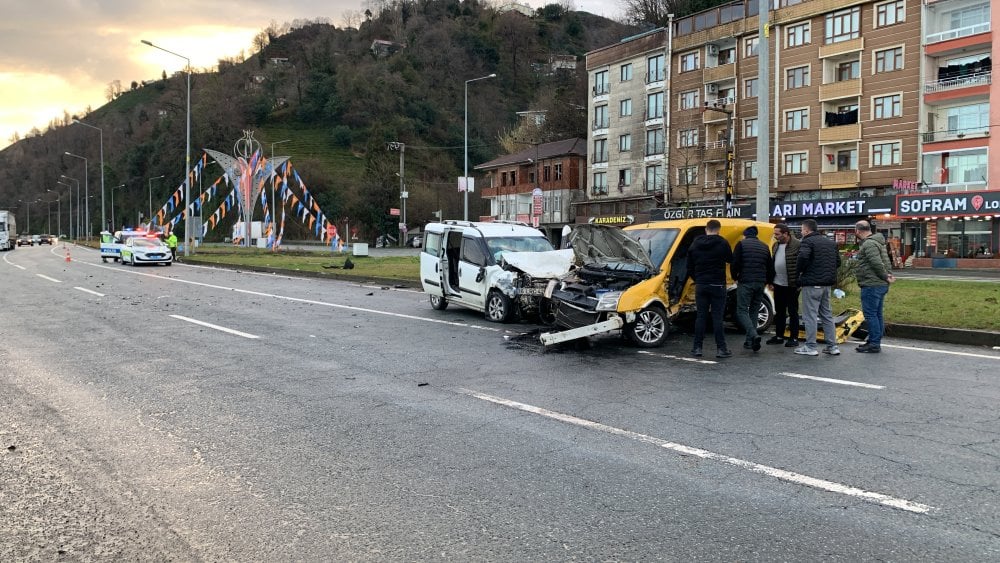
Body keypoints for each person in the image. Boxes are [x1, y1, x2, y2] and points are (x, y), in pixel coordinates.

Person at [686, 219, 734, 358]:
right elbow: (730, 259)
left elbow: (689, 266)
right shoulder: (723, 243)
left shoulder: (695, 244)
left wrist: (698, 279)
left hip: (701, 284)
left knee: (701, 316)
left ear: (706, 229)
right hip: (718, 284)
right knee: (717, 317)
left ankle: (697, 348)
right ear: (718, 229)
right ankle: (721, 349)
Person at [795, 219, 841, 356]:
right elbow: (837, 262)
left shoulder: (807, 241)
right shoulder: (830, 243)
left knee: (810, 315)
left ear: (807, 230)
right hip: (827, 284)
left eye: (802, 229)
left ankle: (810, 346)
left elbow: (803, 257)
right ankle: (832, 346)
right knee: (827, 315)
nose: (801, 232)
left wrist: (800, 272)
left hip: (811, 283)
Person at [731, 225, 774, 352]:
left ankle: (753, 334)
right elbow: (770, 267)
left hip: (746, 282)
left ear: (745, 235)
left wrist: (735, 277)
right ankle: (749, 341)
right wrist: (769, 281)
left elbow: (735, 263)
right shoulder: (764, 246)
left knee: (742, 310)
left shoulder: (741, 244)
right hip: (760, 283)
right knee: (754, 310)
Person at [854, 220, 895, 353]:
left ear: (858, 231)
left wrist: (885, 276)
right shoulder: (878, 242)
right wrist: (888, 275)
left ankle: (874, 343)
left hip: (872, 284)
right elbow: (886, 261)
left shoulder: (869, 243)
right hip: (879, 284)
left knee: (871, 314)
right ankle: (873, 340)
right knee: (877, 314)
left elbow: (876, 263)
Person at [767, 223, 801, 348]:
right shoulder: (776, 245)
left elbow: (802, 263)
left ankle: (794, 337)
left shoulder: (797, 244)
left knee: (793, 311)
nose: (775, 236)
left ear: (786, 233)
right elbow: (773, 263)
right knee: (780, 311)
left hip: (792, 284)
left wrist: (799, 281)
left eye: (777, 234)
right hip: (778, 283)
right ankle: (779, 336)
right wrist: (770, 281)